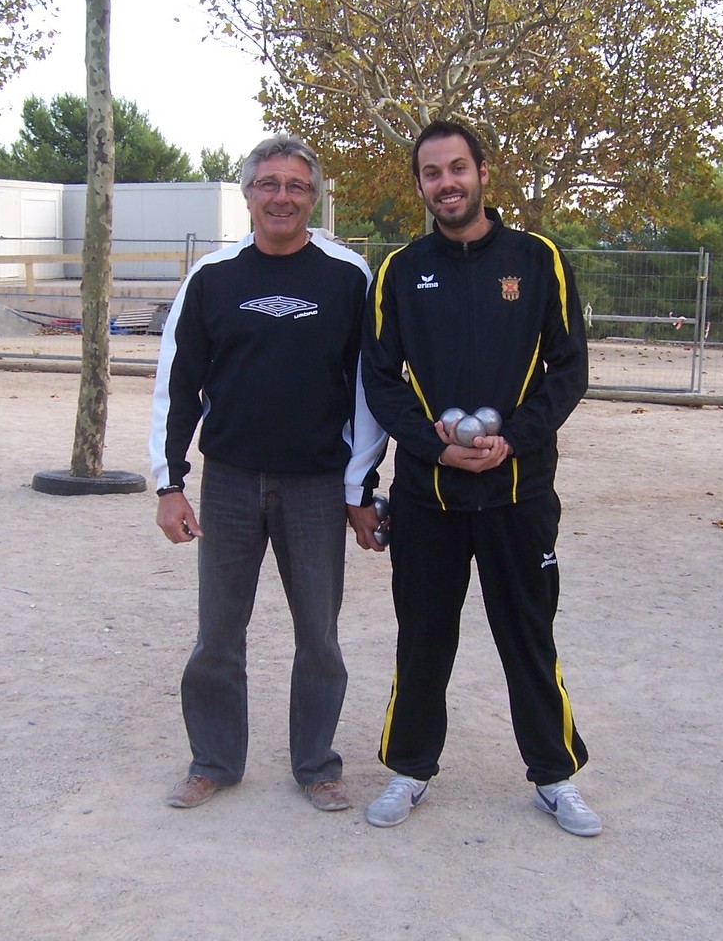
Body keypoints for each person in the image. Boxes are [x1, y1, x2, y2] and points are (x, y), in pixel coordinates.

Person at [359, 119, 600, 836]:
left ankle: (555, 776)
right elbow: (381, 382)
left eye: (457, 168)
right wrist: (434, 451)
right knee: (422, 636)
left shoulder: (538, 258)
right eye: (432, 173)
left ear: (483, 172)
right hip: (429, 497)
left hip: (518, 494)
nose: (446, 183)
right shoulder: (400, 271)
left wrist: (513, 441)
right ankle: (409, 770)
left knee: (528, 634)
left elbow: (571, 369)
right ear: (421, 185)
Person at [149, 134, 387, 813]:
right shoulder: (213, 278)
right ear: (248, 193)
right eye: (269, 184)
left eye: (296, 186)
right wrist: (169, 484)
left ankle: (317, 765)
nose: (282, 197)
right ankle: (214, 761)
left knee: (320, 634)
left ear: (314, 197)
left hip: (315, 485)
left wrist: (358, 490)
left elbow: (368, 392)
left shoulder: (347, 278)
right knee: (218, 633)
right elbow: (179, 384)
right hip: (228, 482)